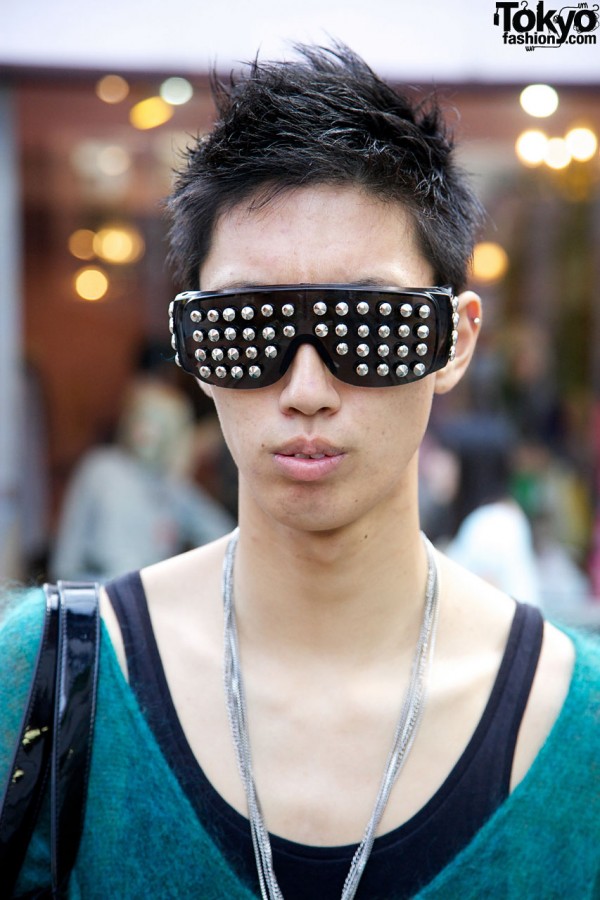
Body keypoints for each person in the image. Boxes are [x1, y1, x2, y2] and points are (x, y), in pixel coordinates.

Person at [1, 43, 598, 899]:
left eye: (366, 327)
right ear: (191, 347)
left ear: (456, 340)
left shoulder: (577, 730)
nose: (308, 390)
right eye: (249, 330)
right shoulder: (39, 682)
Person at [49, 377, 234, 581]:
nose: (148, 432)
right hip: (101, 591)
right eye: (143, 419)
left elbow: (225, 536)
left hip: (150, 598)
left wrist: (183, 580)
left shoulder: (174, 486)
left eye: (160, 425)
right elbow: (66, 560)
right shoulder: (101, 469)